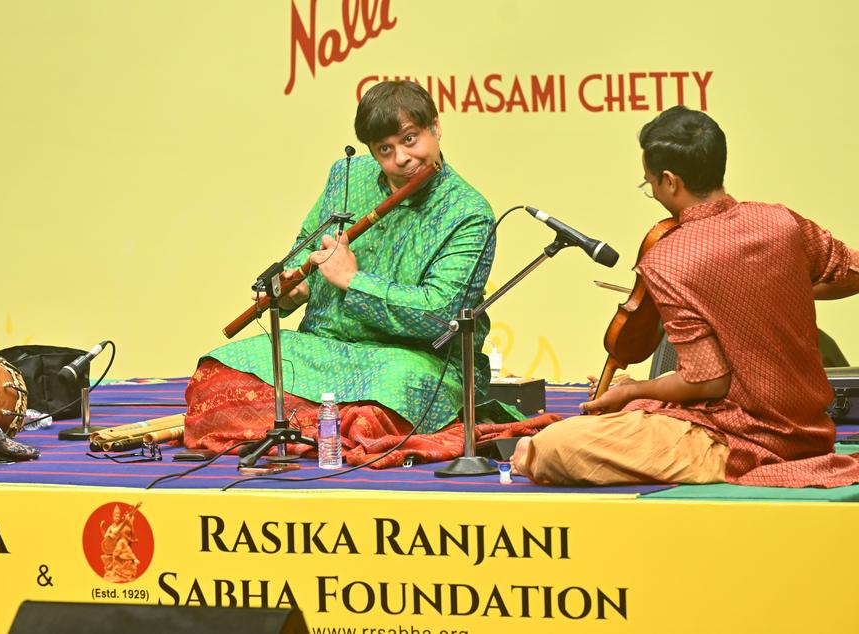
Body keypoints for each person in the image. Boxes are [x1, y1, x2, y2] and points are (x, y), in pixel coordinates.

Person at [512, 106, 859, 488]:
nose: (654, 191)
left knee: (548, 447)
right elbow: (851, 273)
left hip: (737, 439)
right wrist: (773, 291)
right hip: (812, 431)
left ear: (670, 181)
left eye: (650, 184)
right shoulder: (781, 221)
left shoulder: (670, 258)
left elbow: (707, 383)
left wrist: (634, 390)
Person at [183, 80, 510, 462]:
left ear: (435, 128)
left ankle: (306, 428)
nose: (401, 158)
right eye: (385, 150)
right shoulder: (347, 175)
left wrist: (353, 282)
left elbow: (440, 316)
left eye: (410, 139)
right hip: (322, 348)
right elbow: (307, 242)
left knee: (392, 394)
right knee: (215, 375)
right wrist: (292, 288)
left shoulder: (469, 212)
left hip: (410, 360)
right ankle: (322, 430)